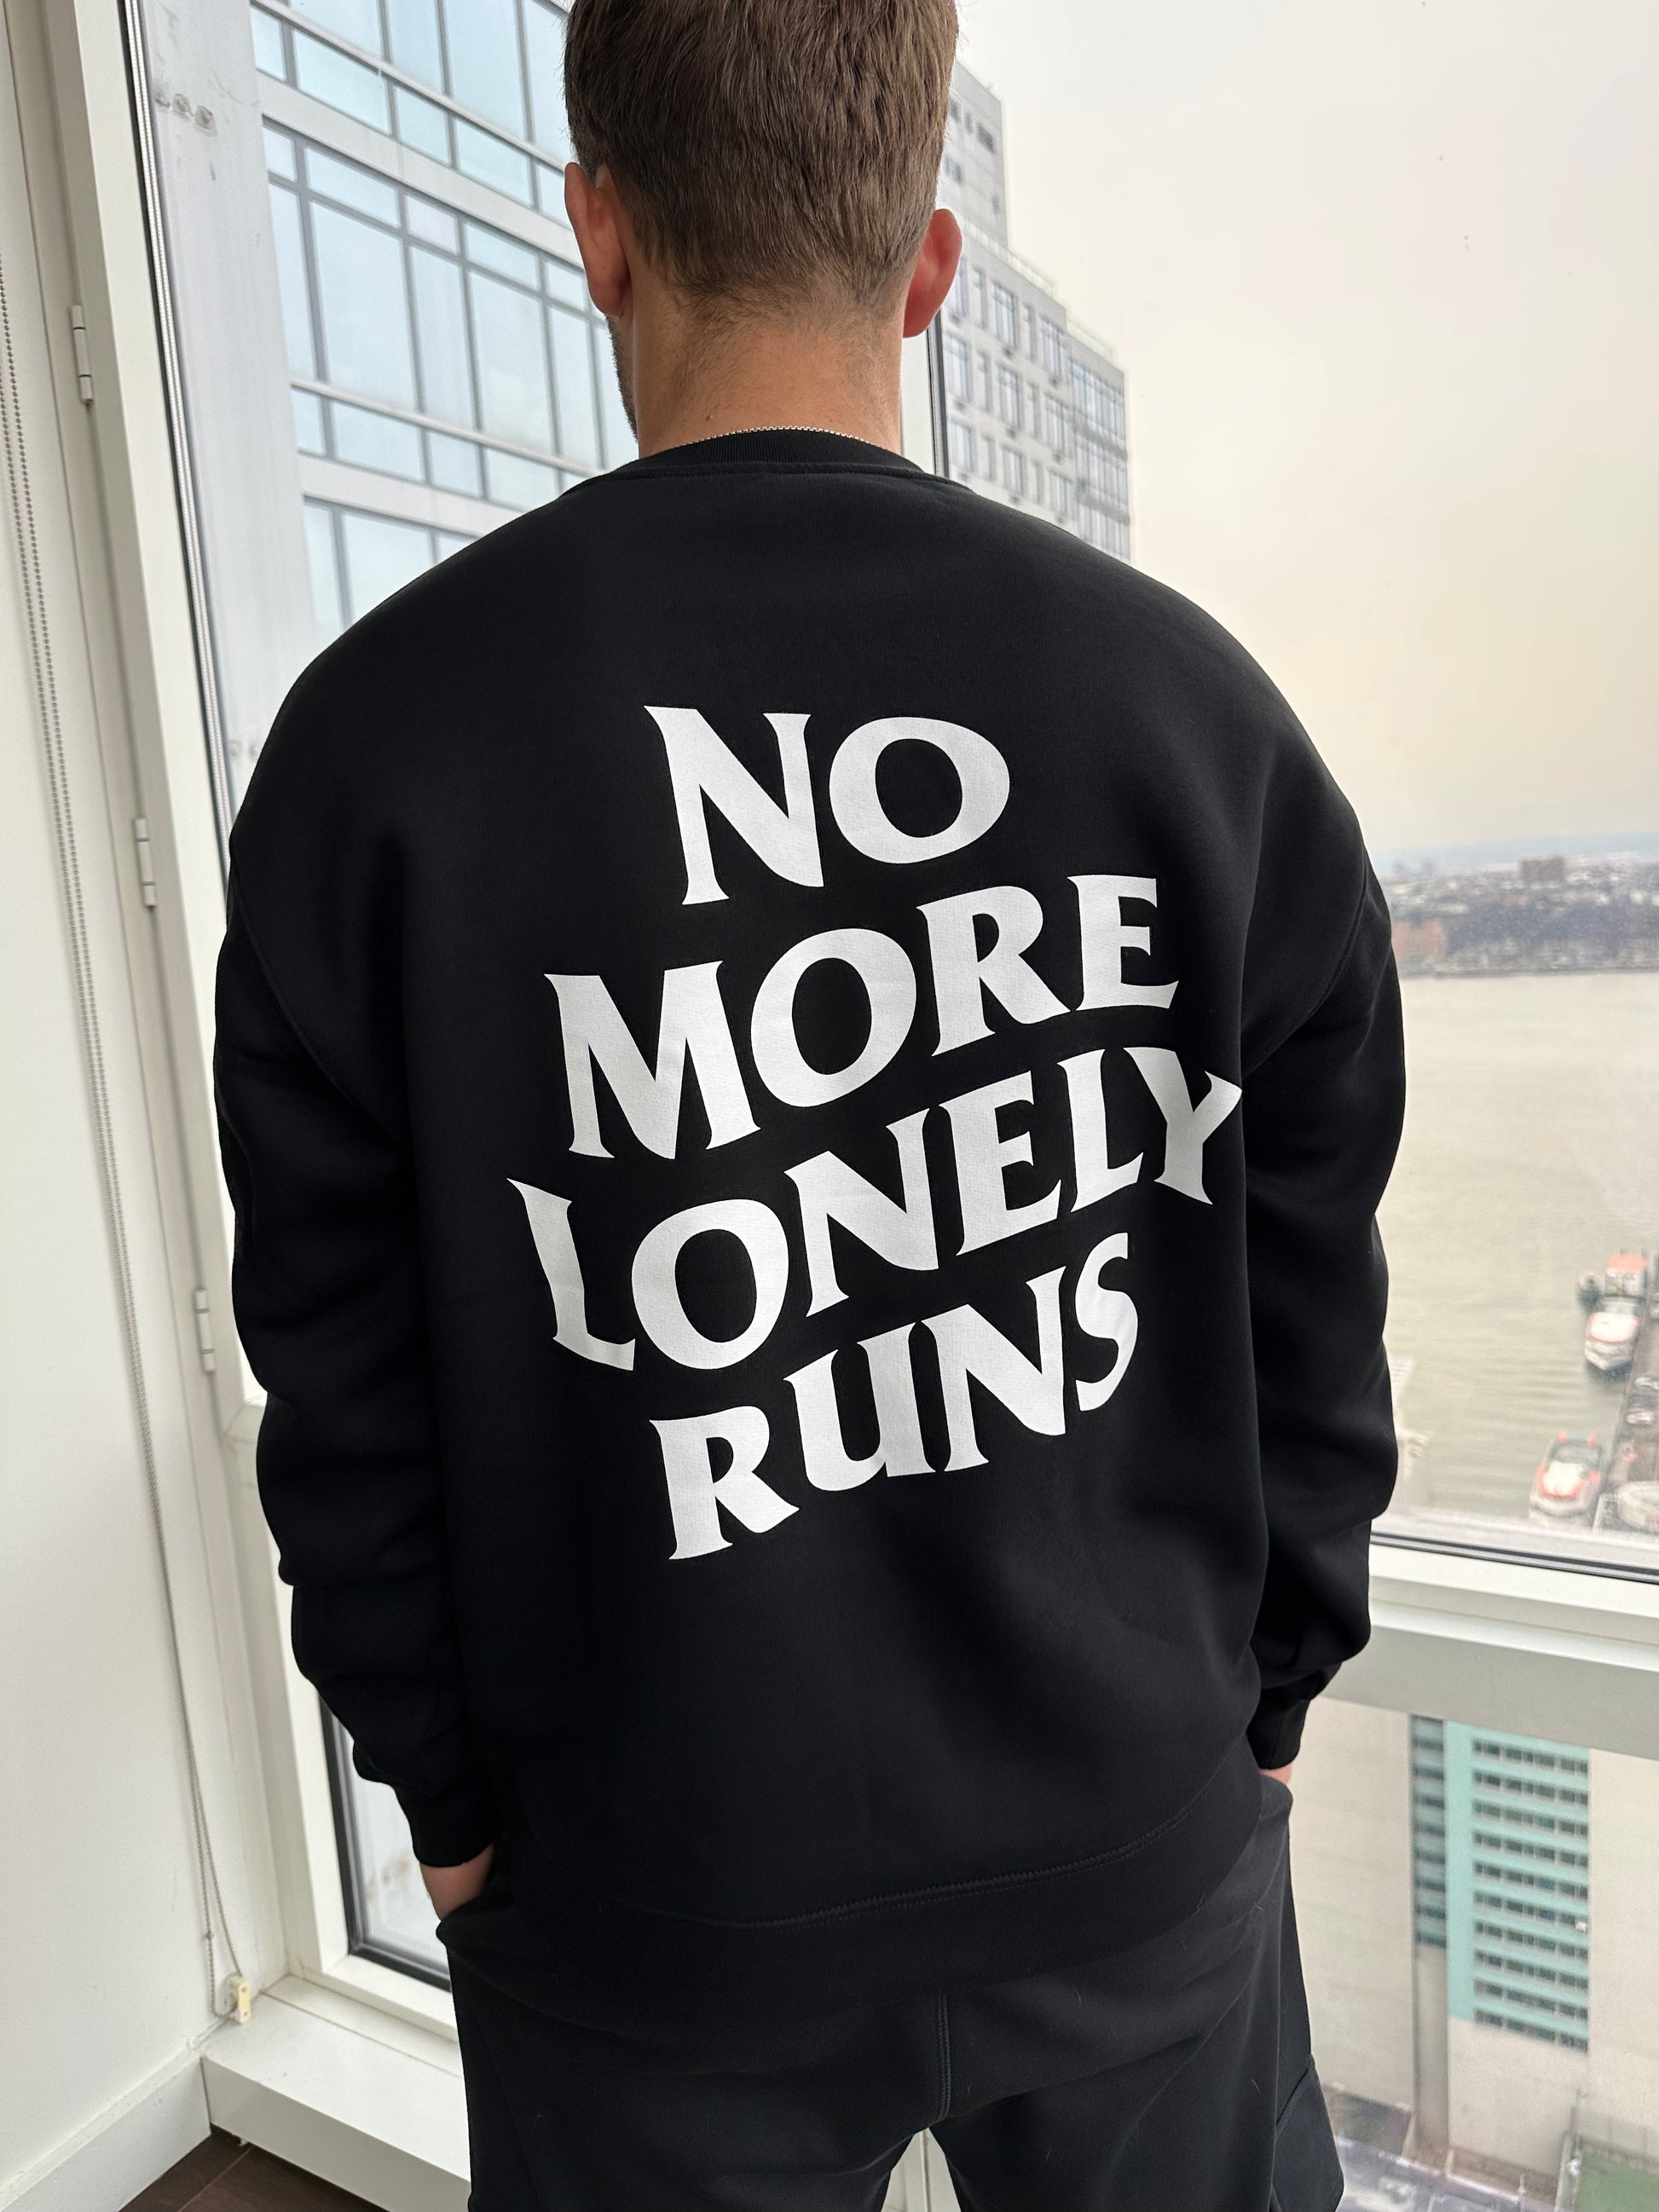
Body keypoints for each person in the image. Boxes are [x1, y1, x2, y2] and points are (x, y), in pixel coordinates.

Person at [213, 0, 1406, 2203]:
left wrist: (444, 1801)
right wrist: (1267, 1691)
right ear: (926, 265)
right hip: (1132, 1842)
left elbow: (338, 1373)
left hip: (640, 1894)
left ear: (598, 231)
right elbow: (1316, 1278)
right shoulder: (1193, 722)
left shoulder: (379, 756)